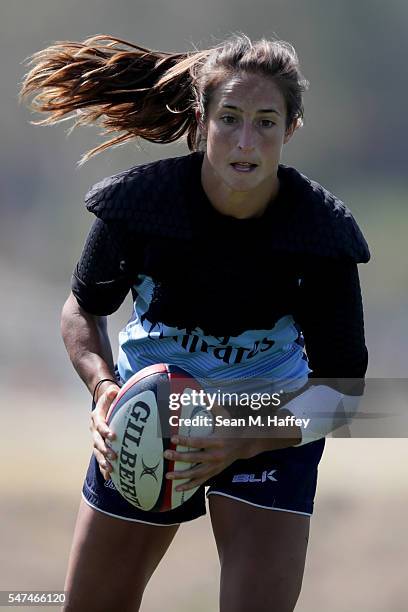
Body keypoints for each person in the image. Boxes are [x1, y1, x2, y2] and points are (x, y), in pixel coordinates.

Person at [20, 33, 370, 612]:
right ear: (202, 120)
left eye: (265, 122)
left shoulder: (321, 234)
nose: (245, 140)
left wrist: (243, 436)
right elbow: (83, 308)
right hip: (151, 415)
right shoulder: (141, 205)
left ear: (291, 130)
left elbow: (343, 392)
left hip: (265, 418)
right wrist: (105, 391)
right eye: (229, 118)